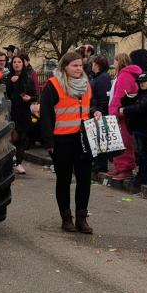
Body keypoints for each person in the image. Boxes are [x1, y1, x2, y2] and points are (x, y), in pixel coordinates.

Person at [39, 50, 100, 234]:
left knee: (84, 179)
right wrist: (49, 142)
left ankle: (82, 218)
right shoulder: (53, 85)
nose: (78, 69)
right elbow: (45, 115)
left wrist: (95, 111)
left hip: (83, 139)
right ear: (65, 67)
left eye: (81, 65)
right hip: (61, 140)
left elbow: (89, 105)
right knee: (64, 180)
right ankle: (66, 218)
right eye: (74, 65)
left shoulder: (86, 85)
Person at [106, 52, 141, 180]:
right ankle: (120, 167)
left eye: (115, 60)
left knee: (123, 141)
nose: (113, 63)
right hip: (124, 112)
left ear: (119, 61)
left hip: (122, 114)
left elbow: (119, 95)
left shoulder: (124, 76)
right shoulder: (126, 75)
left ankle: (125, 169)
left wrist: (114, 112)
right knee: (119, 141)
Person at [5, 53, 37, 176]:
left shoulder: (28, 78)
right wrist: (10, 82)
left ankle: (19, 163)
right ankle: (10, 160)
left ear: (23, 64)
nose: (17, 64)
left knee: (22, 138)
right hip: (10, 111)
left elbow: (35, 95)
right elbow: (5, 93)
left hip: (23, 112)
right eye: (14, 62)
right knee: (12, 138)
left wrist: (29, 98)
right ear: (11, 64)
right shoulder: (7, 77)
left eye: (19, 62)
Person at [89, 55, 113, 173]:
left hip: (99, 112)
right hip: (95, 111)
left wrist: (100, 110)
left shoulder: (103, 78)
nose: (91, 65)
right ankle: (97, 162)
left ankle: (101, 164)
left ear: (97, 64)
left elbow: (104, 97)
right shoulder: (97, 77)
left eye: (93, 63)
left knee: (101, 138)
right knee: (96, 138)